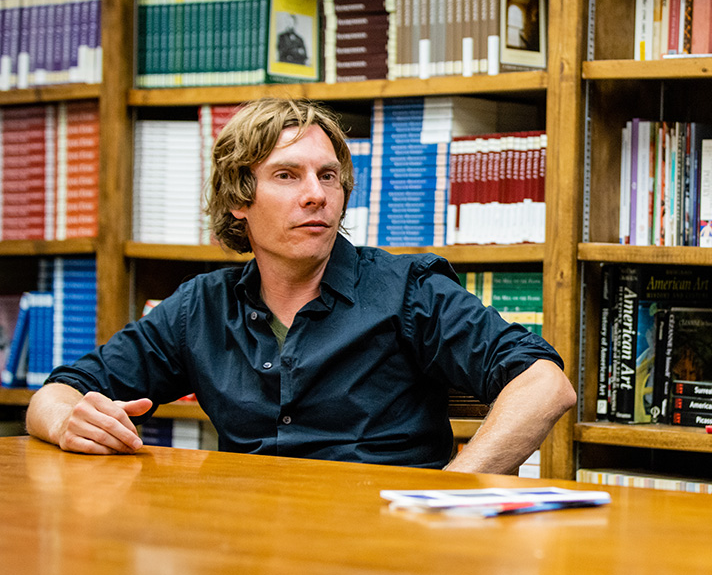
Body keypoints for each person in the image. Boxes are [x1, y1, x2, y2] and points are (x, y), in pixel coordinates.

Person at [26, 98, 576, 474]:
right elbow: (57, 393)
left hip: (389, 557)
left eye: (328, 175)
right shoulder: (202, 307)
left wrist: (453, 490)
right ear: (240, 200)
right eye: (288, 176)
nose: (316, 194)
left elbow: (545, 384)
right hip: (254, 556)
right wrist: (68, 419)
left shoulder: (407, 289)